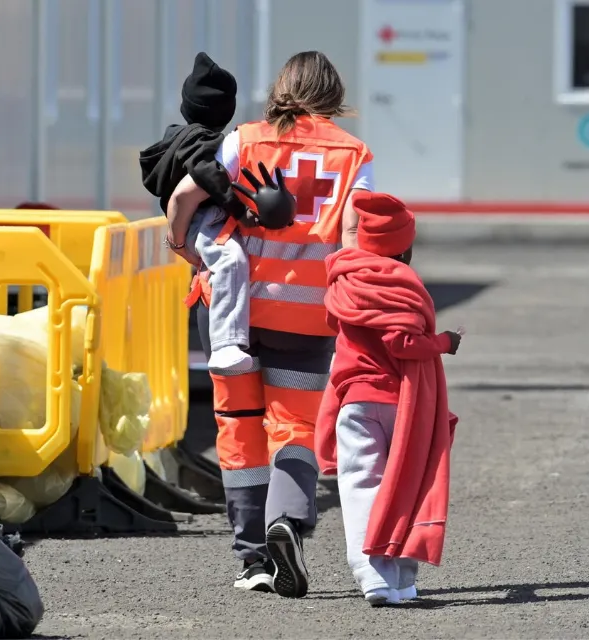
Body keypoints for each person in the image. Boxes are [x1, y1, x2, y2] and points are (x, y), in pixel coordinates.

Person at [166, 51, 374, 598]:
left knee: (238, 428)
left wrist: (183, 248)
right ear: (333, 94)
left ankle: (253, 559)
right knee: (295, 431)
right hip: (308, 318)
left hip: (235, 312)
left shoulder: (246, 139)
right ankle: (288, 520)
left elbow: (185, 196)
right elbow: (356, 231)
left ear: (281, 88)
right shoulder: (354, 155)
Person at [315, 192, 461, 607]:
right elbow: (403, 342)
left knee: (362, 483)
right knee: (408, 483)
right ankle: (403, 580)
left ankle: (371, 575)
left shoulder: (343, 276)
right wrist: (445, 342)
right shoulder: (403, 284)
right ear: (405, 247)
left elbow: (349, 239)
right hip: (402, 403)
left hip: (355, 401)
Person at [140, 52, 291, 374]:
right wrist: (237, 210)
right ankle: (226, 344)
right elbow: (205, 180)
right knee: (230, 259)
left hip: (196, 221)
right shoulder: (205, 145)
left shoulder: (178, 138)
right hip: (201, 219)